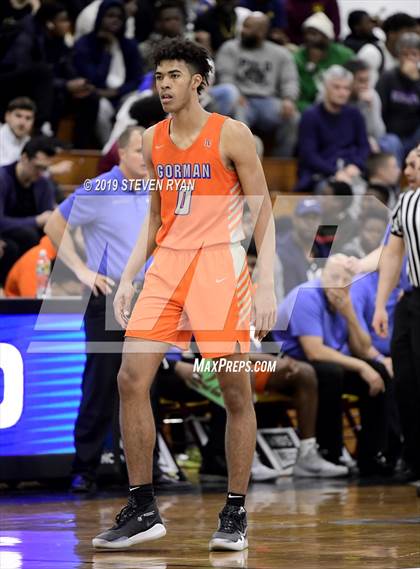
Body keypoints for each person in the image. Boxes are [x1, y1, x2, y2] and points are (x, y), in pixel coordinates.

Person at [92, 37, 277, 552]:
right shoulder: (152, 139)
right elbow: (155, 216)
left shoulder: (232, 134)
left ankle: (236, 512)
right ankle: (143, 505)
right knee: (131, 377)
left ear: (198, 80)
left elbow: (263, 212)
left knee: (235, 392)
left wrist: (266, 283)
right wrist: (130, 275)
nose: (164, 84)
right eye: (158, 76)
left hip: (221, 265)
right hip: (167, 267)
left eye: (173, 75)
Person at [45, 126, 185, 493]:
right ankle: (85, 468)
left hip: (147, 296)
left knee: (146, 384)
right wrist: (81, 269)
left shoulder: (158, 187)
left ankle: (145, 470)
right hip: (107, 296)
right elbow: (54, 222)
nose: (146, 157)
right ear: (121, 153)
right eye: (139, 151)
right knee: (100, 382)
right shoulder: (101, 188)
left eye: (149, 151)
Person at [274, 254, 392, 474]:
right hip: (289, 364)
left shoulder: (347, 300)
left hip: (326, 362)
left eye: (345, 278)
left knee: (379, 371)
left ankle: (372, 455)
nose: (338, 284)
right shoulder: (307, 295)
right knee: (332, 373)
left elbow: (363, 349)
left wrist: (350, 316)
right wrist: (360, 366)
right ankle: (330, 452)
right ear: (322, 275)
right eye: (333, 277)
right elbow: (314, 351)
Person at [373, 143, 420, 483]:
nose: (406, 170)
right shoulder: (405, 202)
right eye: (405, 164)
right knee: (406, 383)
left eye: (413, 164)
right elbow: (391, 255)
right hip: (412, 300)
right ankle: (415, 460)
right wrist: (380, 303)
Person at [216, 12, 299, 157]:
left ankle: (280, 164)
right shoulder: (230, 48)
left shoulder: (280, 53)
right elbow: (225, 77)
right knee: (237, 114)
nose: (242, 30)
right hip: (242, 99)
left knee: (293, 117)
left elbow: (290, 80)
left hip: (268, 101)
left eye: (248, 27)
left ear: (261, 32)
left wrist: (288, 99)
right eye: (243, 26)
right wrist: (235, 93)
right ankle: (243, 163)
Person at [72, 0, 143, 145]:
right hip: (96, 94)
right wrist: (107, 52)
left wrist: (117, 92)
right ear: (100, 17)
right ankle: (110, 148)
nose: (115, 20)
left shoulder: (129, 45)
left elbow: (136, 79)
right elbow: (93, 78)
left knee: (135, 101)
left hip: (120, 94)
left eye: (119, 17)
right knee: (101, 107)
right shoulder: (84, 44)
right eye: (110, 16)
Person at [295, 65, 370, 193]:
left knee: (369, 192)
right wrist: (335, 172)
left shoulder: (355, 114)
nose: (342, 92)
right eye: (336, 87)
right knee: (332, 193)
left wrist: (356, 165)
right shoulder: (311, 116)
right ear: (325, 88)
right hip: (320, 175)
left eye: (346, 88)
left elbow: (364, 146)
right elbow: (309, 155)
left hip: (351, 171)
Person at [0, 136, 56, 281]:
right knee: (22, 240)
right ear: (24, 158)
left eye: (45, 168)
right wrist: (36, 221)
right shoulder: (3, 178)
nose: (41, 172)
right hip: (5, 235)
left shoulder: (43, 184)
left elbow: (49, 222)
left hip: (29, 238)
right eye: (38, 167)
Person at [293, 12, 353, 112]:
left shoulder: (344, 55)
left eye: (314, 34)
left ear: (327, 37)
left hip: (341, 105)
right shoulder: (297, 58)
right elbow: (298, 94)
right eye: (306, 33)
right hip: (308, 108)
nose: (308, 37)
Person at [376, 32, 420, 165]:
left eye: (414, 54)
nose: (409, 59)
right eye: (405, 54)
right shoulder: (387, 77)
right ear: (398, 56)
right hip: (392, 134)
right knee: (391, 143)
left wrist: (414, 81)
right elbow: (380, 110)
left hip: (414, 134)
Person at [343, 59, 402, 159]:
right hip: (347, 142)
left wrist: (368, 108)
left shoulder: (372, 96)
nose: (366, 85)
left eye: (367, 80)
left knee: (392, 141)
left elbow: (379, 133)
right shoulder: (340, 97)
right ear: (349, 81)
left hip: (370, 139)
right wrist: (365, 139)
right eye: (361, 81)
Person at [276, 198, 323, 294]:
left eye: (314, 218)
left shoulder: (324, 248)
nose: (310, 223)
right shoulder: (281, 250)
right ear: (294, 219)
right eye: (305, 217)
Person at [358, 12, 418, 86]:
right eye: (409, 34)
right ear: (392, 34)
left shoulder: (412, 59)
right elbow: (365, 89)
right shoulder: (372, 53)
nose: (413, 39)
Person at [0, 97, 35, 167]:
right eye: (18, 116)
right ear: (7, 116)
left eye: (28, 118)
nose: (22, 122)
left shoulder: (30, 142)